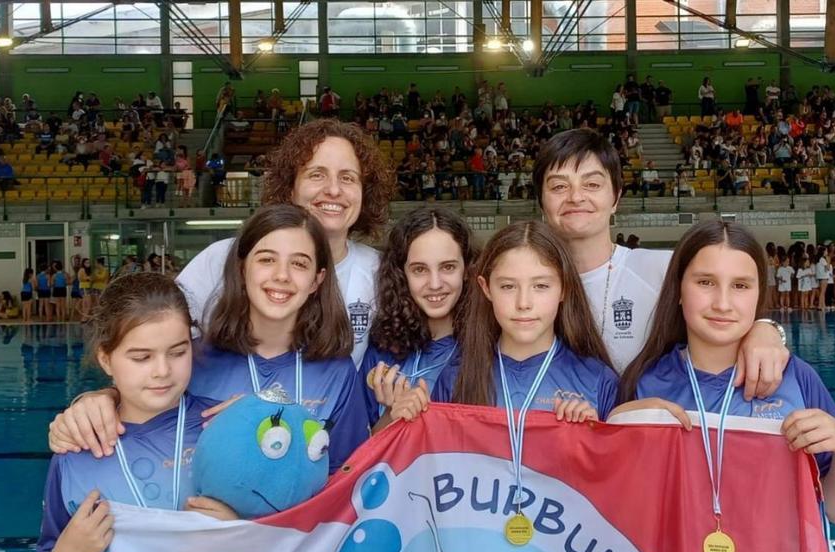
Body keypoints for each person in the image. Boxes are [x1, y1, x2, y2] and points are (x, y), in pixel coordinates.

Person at [612, 221, 835, 552]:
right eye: (705, 282)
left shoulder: (795, 379)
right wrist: (620, 432)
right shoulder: (647, 385)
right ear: (678, 290)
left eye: (741, 285)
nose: (723, 302)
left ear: (759, 295)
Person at [47, 205, 369, 472]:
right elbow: (145, 417)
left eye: (299, 264)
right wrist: (100, 400)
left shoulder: (337, 373)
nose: (282, 275)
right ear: (242, 269)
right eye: (267, 259)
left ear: (317, 280)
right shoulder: (194, 362)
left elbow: (347, 477)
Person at [530, 129, 788, 394]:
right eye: (559, 186)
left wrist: (766, 331)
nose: (575, 197)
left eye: (592, 184)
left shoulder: (661, 270)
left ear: (616, 197)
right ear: (541, 200)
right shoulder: (524, 284)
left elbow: (726, 311)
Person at [34, 272, 220, 552]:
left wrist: (238, 533)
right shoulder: (76, 450)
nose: (162, 370)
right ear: (106, 359)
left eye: (177, 353)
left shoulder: (220, 428)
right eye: (141, 358)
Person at [177, 119, 395, 367]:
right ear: (290, 188)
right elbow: (160, 342)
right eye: (317, 174)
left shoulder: (380, 271)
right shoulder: (222, 259)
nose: (334, 190)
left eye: (348, 178)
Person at [388, 220, 618, 426]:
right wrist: (404, 421)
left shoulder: (598, 381)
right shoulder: (457, 377)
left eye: (541, 286)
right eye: (508, 286)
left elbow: (625, 468)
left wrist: (593, 438)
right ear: (486, 288)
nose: (523, 303)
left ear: (564, 289)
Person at [362, 207, 476, 427]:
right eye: (419, 270)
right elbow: (361, 450)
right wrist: (390, 415)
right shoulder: (382, 349)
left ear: (467, 270)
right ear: (401, 274)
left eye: (448, 267)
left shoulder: (486, 349)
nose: (434, 284)